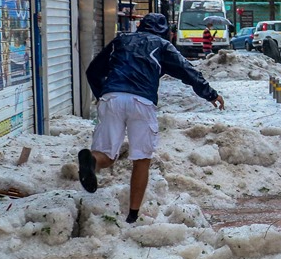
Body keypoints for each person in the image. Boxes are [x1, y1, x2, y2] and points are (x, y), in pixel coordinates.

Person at [78, 12, 225, 223]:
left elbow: (93, 70)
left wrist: (103, 94)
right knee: (141, 159)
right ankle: (133, 214)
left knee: (107, 155)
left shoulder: (121, 40)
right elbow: (187, 71)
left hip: (112, 97)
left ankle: (91, 160)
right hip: (142, 102)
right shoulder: (163, 45)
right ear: (165, 32)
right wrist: (210, 94)